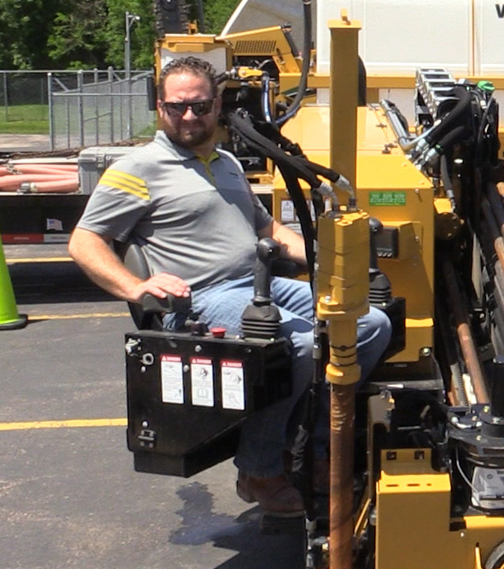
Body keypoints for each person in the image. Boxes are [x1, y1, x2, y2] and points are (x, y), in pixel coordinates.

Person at [69, 55, 391, 518]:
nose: (188, 117)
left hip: (260, 284)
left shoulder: (225, 165)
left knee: (370, 323)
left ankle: (313, 445)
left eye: (199, 106)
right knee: (298, 343)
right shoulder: (138, 168)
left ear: (217, 104)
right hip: (203, 299)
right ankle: (258, 469)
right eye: (176, 107)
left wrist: (335, 259)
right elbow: (84, 241)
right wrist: (137, 287)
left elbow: (269, 234)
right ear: (159, 108)